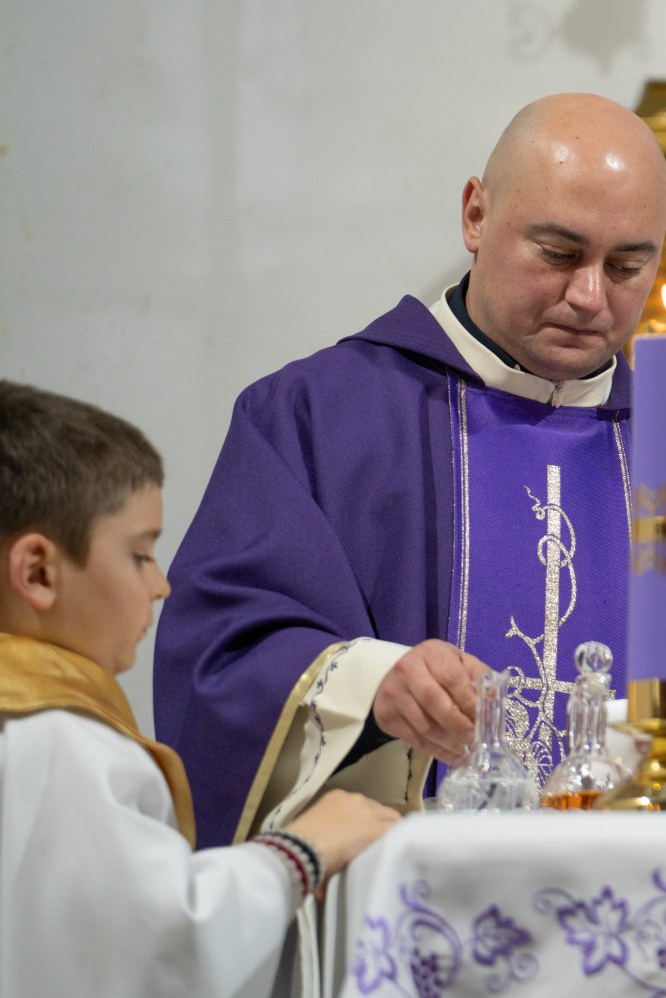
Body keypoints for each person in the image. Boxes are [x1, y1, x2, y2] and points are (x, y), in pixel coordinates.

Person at [155, 93, 666, 848]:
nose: (589, 296)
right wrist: (369, 686)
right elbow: (221, 655)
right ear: (475, 214)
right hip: (399, 896)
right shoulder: (321, 420)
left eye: (627, 265)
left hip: (638, 901)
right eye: (558, 253)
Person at [1, 380, 400, 996]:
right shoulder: (56, 741)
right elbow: (154, 948)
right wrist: (304, 851)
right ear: (38, 571)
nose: (161, 585)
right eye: (140, 555)